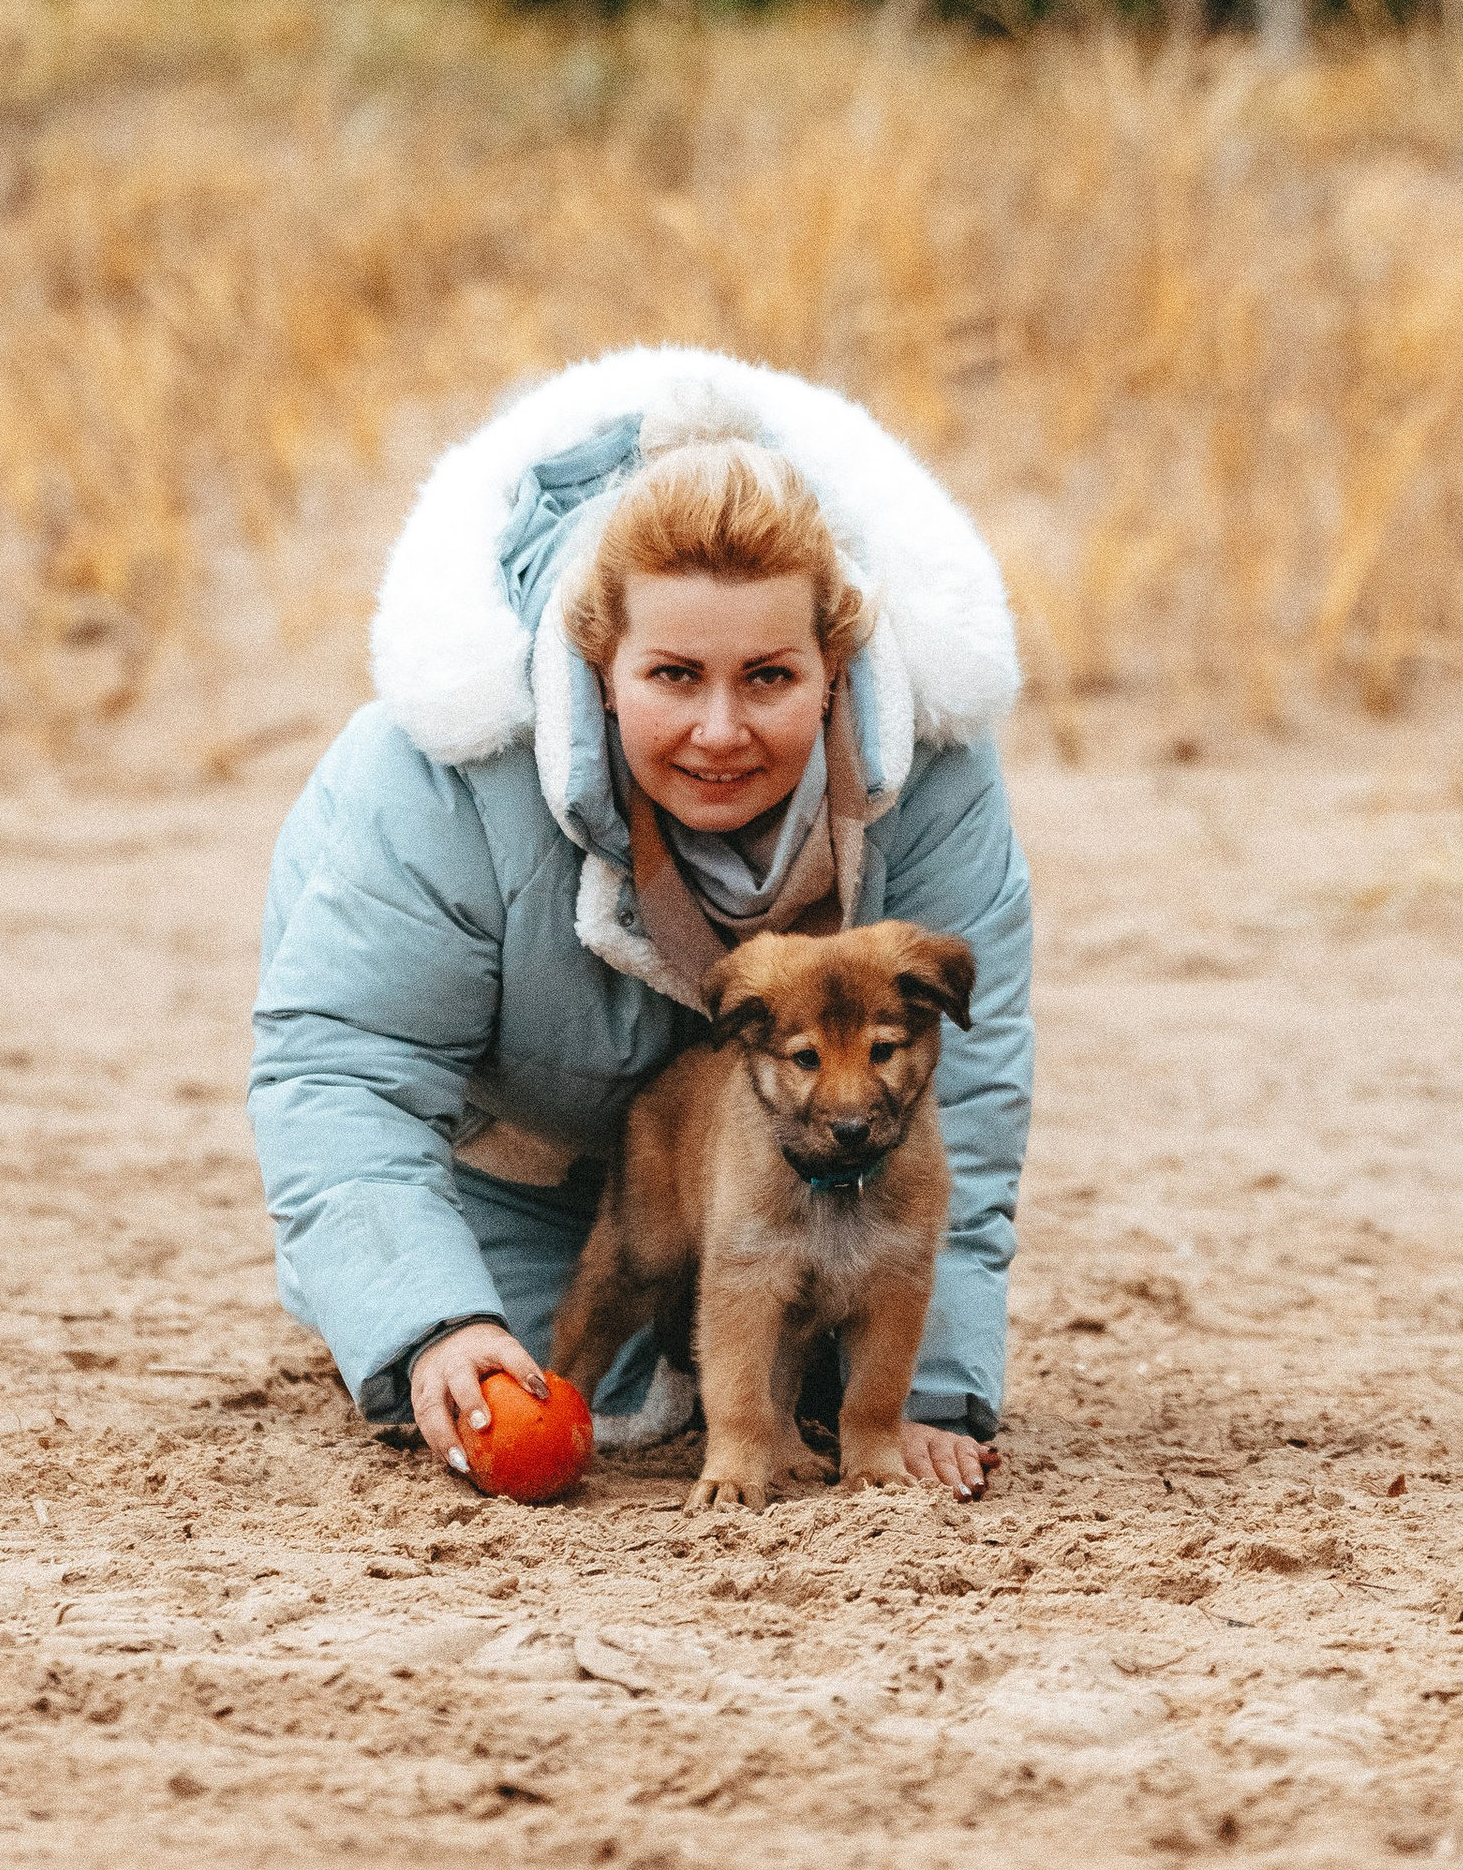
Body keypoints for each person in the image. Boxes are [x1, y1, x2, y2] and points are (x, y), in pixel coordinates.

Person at [249, 347, 1034, 1500]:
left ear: (836, 666)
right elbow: (343, 1068)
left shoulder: (940, 784)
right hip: (523, 1157)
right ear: (598, 662)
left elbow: (968, 1096)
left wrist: (927, 1397)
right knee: (546, 1394)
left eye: (767, 678)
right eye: (672, 676)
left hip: (822, 1170)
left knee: (830, 1390)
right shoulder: (435, 778)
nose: (719, 729)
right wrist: (431, 1323)